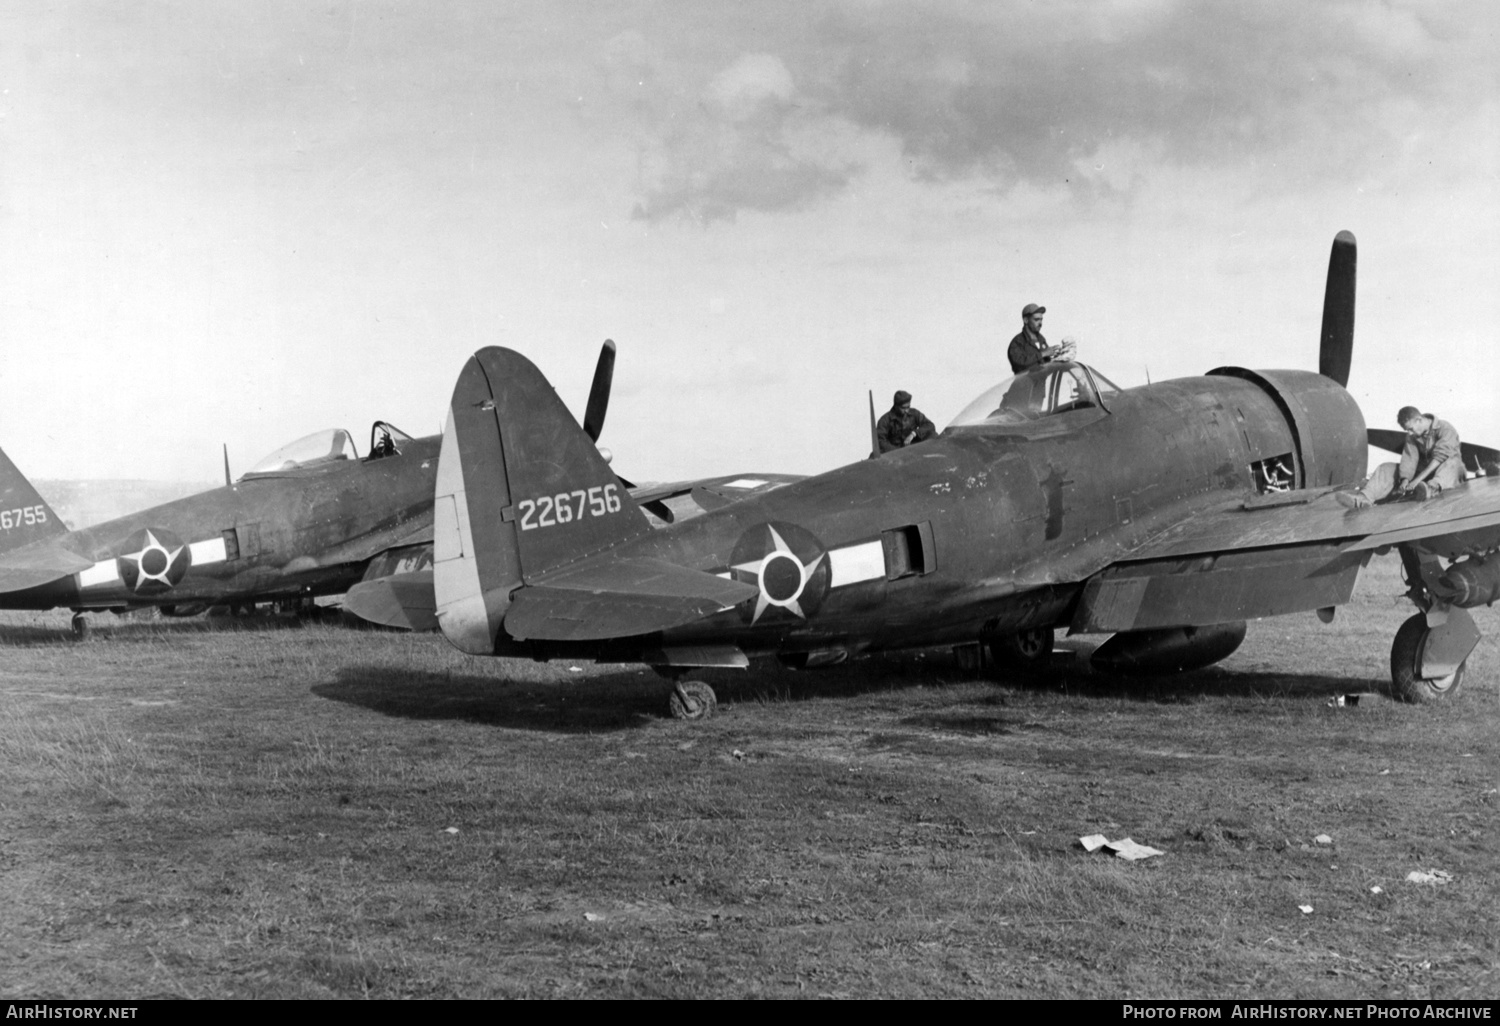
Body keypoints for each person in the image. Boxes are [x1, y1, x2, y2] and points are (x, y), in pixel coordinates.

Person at [1336, 407, 1463, 509]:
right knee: (1386, 468)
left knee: (1452, 463)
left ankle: (1430, 489)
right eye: (1407, 430)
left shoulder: (1445, 428)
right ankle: (1363, 498)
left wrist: (1416, 481)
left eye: (1411, 429)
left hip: (1445, 471)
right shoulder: (1412, 436)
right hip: (1423, 475)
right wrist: (1405, 480)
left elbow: (1439, 459)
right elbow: (1409, 459)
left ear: (1419, 420)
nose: (1410, 433)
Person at [1007, 303, 1074, 374]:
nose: (1040, 323)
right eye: (1036, 319)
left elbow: (1046, 365)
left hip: (1040, 384)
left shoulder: (1041, 339)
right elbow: (1019, 363)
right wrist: (1042, 354)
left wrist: (1059, 357)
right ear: (1026, 320)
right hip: (1024, 384)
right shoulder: (1017, 342)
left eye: (1041, 319)